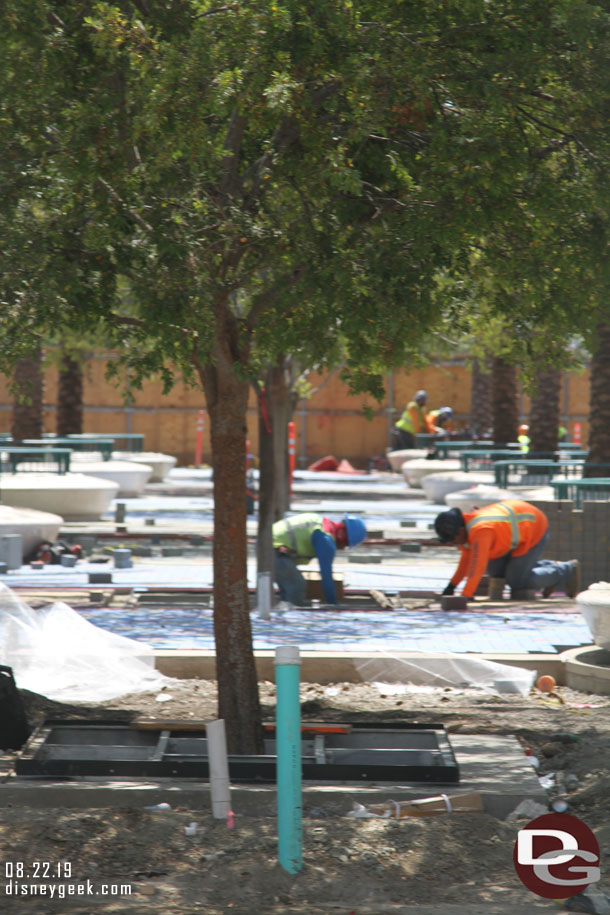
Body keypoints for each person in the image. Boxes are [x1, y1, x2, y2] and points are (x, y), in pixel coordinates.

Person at [434, 500, 580, 601]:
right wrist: (451, 587)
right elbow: (466, 561)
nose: (452, 543)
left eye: (452, 539)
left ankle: (566, 570)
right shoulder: (465, 531)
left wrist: (466, 595)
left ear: (459, 530)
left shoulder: (481, 530)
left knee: (517, 581)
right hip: (511, 533)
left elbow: (477, 564)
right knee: (497, 573)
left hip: (534, 527)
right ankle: (550, 568)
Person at [272, 512, 367, 606]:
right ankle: (289, 618)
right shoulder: (326, 540)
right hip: (274, 549)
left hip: (270, 543)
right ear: (342, 535)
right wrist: (333, 604)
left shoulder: (321, 524)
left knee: (287, 591)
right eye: (345, 544)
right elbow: (326, 576)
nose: (342, 548)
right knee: (296, 587)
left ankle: (282, 612)